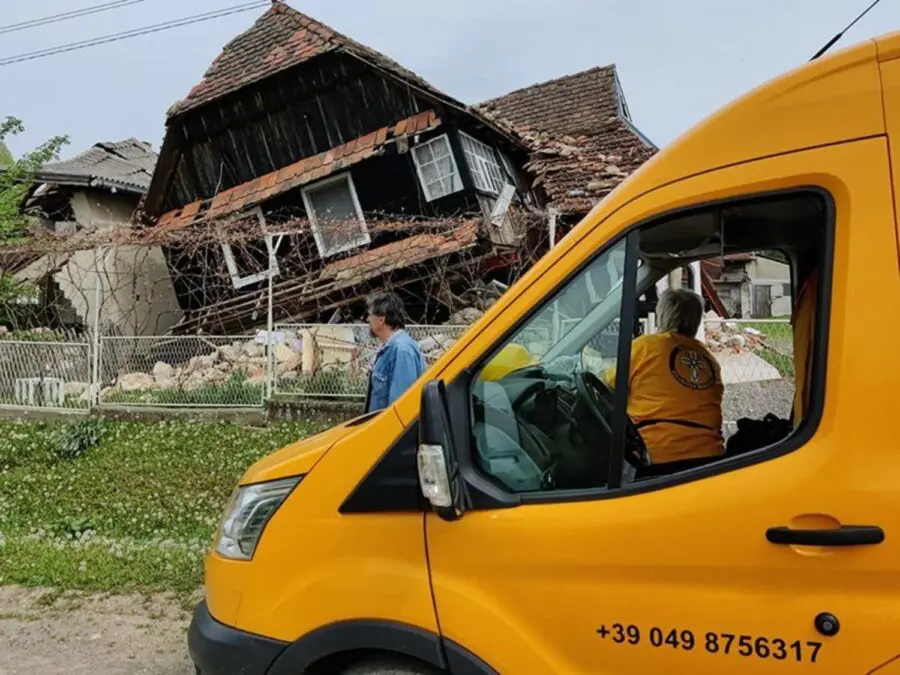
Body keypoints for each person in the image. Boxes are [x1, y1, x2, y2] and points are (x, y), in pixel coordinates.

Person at [605, 288, 724, 464]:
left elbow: (606, 387)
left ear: (662, 315)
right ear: (696, 320)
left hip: (657, 457)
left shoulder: (644, 346)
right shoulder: (708, 359)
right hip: (711, 459)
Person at [365, 292, 426, 413]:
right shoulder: (390, 348)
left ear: (381, 319)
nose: (367, 319)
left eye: (370, 315)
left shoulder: (402, 350)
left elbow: (401, 408)